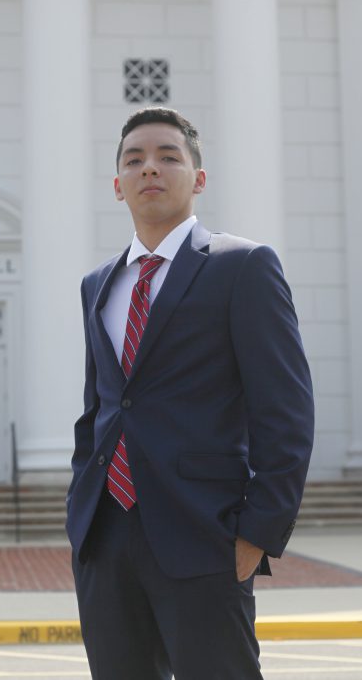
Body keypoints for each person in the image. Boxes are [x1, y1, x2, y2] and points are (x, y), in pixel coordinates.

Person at [66, 106, 315, 680]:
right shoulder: (98, 286)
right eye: (135, 160)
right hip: (105, 537)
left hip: (206, 533)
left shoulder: (243, 266)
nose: (150, 168)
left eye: (168, 157)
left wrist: (258, 533)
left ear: (197, 178)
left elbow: (285, 410)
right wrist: (81, 512)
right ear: (117, 186)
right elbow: (101, 406)